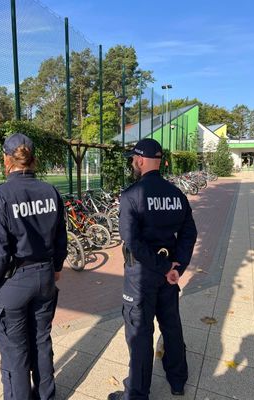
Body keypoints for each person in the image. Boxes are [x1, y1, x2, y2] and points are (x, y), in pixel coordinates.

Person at [0, 133, 67, 400]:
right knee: (41, 343)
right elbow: (61, 236)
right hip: (46, 277)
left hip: (13, 283)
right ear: (33, 158)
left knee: (15, 356)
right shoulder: (50, 191)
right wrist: (56, 266)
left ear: (6, 159)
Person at [109, 138, 197, 400]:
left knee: (140, 334)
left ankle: (136, 394)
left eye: (133, 160)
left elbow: (132, 242)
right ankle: (178, 380)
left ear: (140, 160)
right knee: (171, 325)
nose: (133, 164)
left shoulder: (131, 195)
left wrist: (163, 266)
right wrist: (176, 267)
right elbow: (189, 233)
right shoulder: (176, 194)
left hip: (141, 276)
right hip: (168, 274)